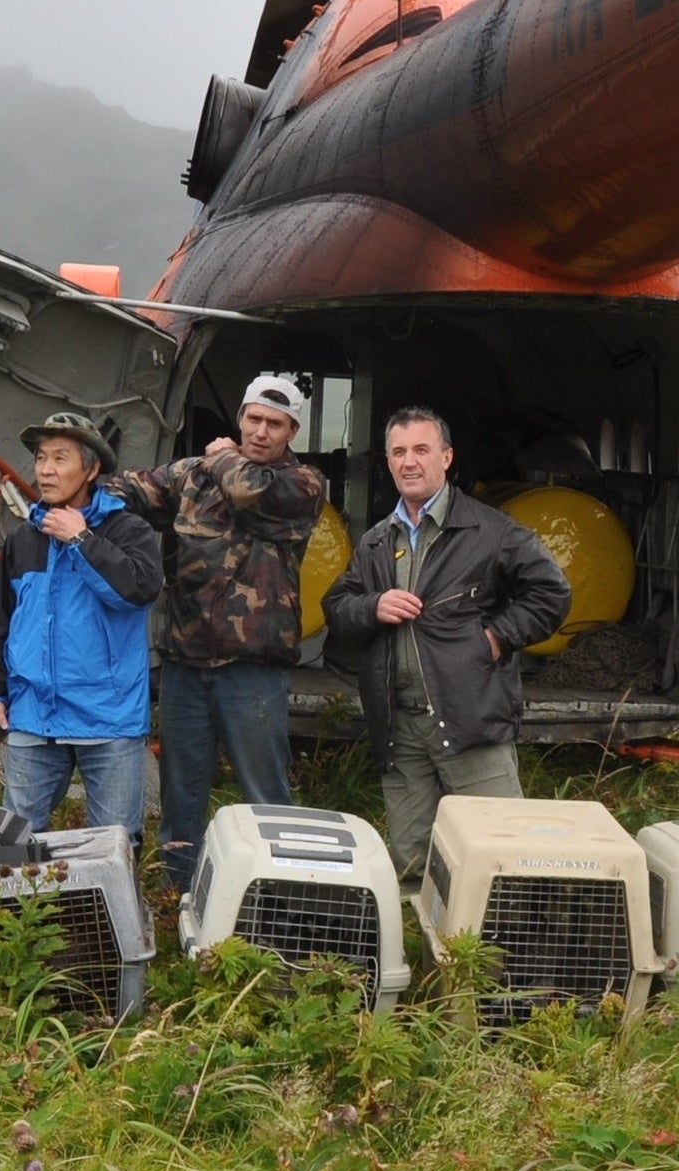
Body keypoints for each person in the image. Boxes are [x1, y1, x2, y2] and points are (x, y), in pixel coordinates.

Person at [320, 407, 571, 886]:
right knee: (412, 860)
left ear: (447, 457)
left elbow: (552, 592)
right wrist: (372, 605)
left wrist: (496, 638)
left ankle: (499, 957)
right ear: (388, 463)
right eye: (398, 452)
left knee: (502, 855)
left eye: (421, 450)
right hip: (400, 725)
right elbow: (336, 606)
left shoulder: (492, 530)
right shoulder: (376, 541)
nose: (409, 462)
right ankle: (427, 955)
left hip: (469, 717)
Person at [119, 372, 328, 889]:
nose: (261, 431)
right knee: (181, 796)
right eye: (253, 418)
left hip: (253, 671)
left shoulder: (303, 485)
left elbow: (245, 489)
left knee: (265, 796)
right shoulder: (192, 475)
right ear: (240, 419)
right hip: (186, 663)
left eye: (274, 423)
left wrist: (217, 455)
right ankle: (178, 897)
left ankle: (277, 902)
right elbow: (129, 490)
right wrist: (72, 486)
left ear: (292, 432)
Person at [0, 414, 163, 837]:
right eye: (41, 458)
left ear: (92, 469)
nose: (45, 470)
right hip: (33, 715)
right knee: (14, 842)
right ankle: (17, 907)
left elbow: (139, 590)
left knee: (115, 843)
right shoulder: (24, 537)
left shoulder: (127, 530)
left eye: (59, 459)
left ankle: (110, 907)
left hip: (108, 718)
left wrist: (82, 540)